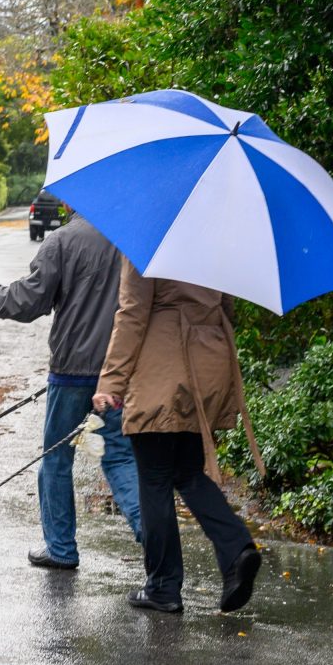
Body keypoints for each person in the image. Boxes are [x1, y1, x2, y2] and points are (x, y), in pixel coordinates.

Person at [0, 210, 142, 569]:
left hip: (71, 372)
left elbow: (27, 301)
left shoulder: (63, 240)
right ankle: (154, 535)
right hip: (117, 373)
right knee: (121, 458)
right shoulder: (132, 240)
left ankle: (60, 548)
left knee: (56, 461)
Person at [92, 260, 265, 613]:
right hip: (208, 362)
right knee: (187, 471)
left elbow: (132, 314)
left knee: (154, 478)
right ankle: (237, 548)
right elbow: (226, 307)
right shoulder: (213, 238)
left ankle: (162, 586)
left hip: (163, 368)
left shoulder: (150, 239)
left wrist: (111, 381)